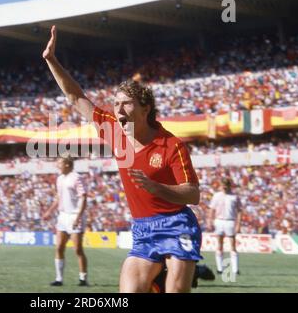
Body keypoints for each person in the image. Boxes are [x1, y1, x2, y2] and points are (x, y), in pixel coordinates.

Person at [43, 26, 202, 293]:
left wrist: (156, 188)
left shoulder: (171, 145)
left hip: (177, 225)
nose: (118, 110)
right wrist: (51, 59)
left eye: (126, 103)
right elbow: (75, 97)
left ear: (145, 108)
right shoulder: (113, 130)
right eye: (116, 104)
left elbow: (193, 194)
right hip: (142, 229)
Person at [42, 156, 88, 286]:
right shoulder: (60, 179)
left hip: (74, 215)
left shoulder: (76, 177)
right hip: (62, 216)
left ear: (67, 164)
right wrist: (49, 211)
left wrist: (78, 217)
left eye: (59, 163)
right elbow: (58, 198)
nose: (57, 165)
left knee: (77, 249)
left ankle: (83, 279)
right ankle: (59, 279)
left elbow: (83, 197)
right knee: (59, 247)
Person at [208, 178, 242, 275]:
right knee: (219, 244)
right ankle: (220, 269)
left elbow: (239, 211)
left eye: (226, 186)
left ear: (229, 186)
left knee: (232, 244)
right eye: (223, 186)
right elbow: (212, 209)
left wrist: (238, 224)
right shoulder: (217, 196)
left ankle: (235, 269)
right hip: (219, 221)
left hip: (230, 221)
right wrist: (210, 221)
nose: (224, 188)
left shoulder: (234, 197)